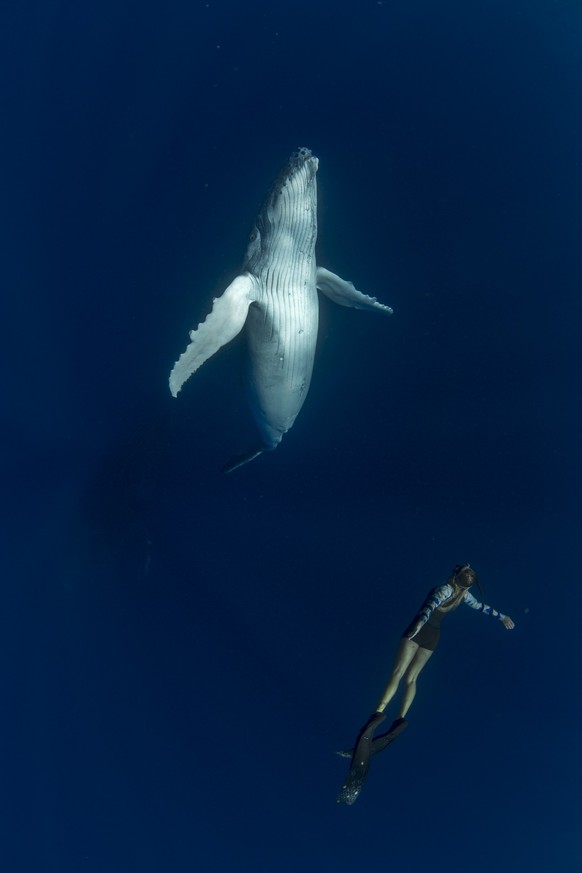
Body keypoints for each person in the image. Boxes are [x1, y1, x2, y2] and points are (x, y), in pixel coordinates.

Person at [337, 563, 515, 805]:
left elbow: (432, 606)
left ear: (456, 575)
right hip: (433, 636)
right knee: (412, 678)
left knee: (399, 673)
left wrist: (418, 624)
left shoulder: (447, 588)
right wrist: (502, 616)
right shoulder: (464, 596)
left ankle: (378, 714)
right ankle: (400, 719)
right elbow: (482, 608)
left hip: (421, 630)